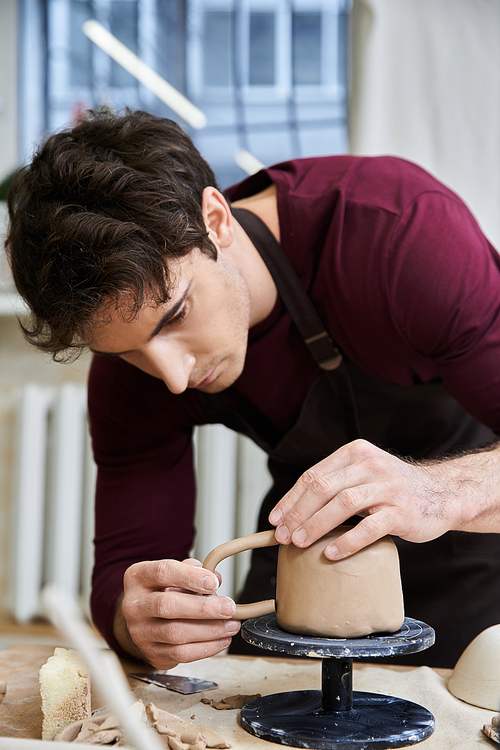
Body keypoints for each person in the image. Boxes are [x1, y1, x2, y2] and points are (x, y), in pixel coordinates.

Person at [6, 109, 500, 671]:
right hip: (305, 540)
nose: (171, 375)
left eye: (175, 316)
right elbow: (126, 571)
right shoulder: (129, 366)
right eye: (127, 352)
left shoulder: (400, 235)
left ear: (215, 221)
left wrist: (440, 494)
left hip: (473, 538)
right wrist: (140, 619)